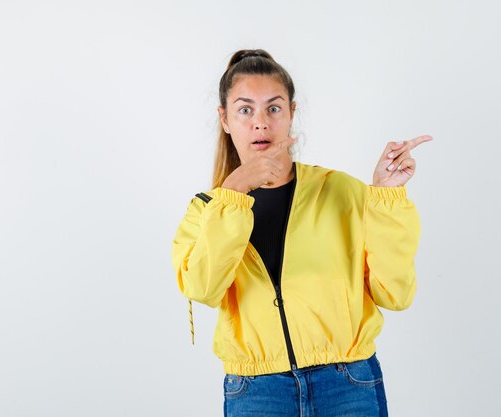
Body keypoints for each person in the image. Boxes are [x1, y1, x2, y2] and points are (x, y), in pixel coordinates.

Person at [171, 48, 431, 417]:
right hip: (257, 392)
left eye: (273, 108)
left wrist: (386, 196)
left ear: (292, 112)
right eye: (245, 109)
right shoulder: (206, 210)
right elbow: (202, 288)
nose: (260, 122)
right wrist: (232, 194)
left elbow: (396, 294)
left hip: (348, 383)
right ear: (225, 119)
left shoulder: (342, 191)